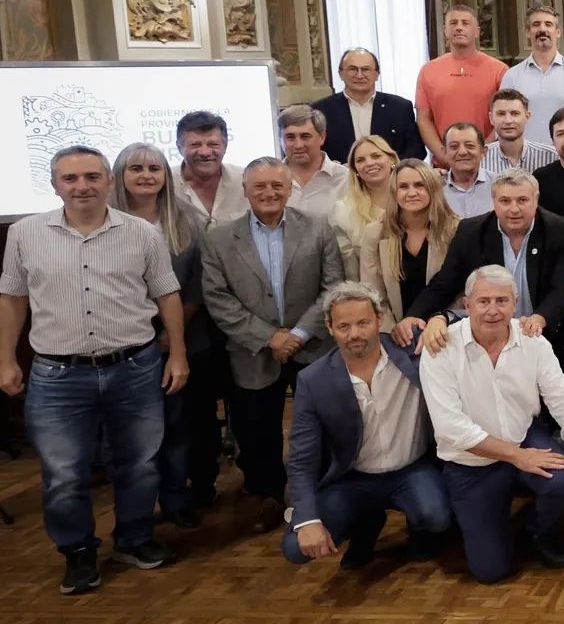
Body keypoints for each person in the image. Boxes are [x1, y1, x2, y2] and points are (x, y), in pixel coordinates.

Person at [1, 147, 184, 595]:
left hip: (135, 366)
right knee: (64, 473)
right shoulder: (25, 233)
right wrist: (6, 359)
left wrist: (177, 353)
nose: (81, 186)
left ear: (108, 181)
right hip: (58, 375)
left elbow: (167, 295)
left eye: (90, 177)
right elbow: (12, 298)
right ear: (55, 184)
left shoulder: (141, 233)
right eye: (70, 178)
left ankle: (134, 539)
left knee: (139, 464)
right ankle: (78, 552)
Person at [420, 266, 564, 580]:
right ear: (466, 306)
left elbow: (563, 398)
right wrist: (518, 457)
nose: (493, 310)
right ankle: (492, 525)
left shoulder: (532, 342)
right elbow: (450, 427)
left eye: (502, 301)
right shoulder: (440, 348)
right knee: (490, 571)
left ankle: (537, 530)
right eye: (483, 302)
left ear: (515, 303)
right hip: (471, 461)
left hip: (522, 437)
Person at [201, 157, 345, 531]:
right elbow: (218, 299)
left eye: (277, 186)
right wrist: (269, 337)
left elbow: (333, 287)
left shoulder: (317, 229)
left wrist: (298, 334)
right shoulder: (219, 238)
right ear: (245, 190)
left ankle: (324, 492)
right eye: (259, 186)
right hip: (252, 352)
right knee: (256, 428)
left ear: (288, 189)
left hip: (311, 346)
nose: (269, 193)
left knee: (323, 423)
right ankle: (267, 494)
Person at [282, 282, 450, 568]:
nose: (355, 334)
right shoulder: (313, 379)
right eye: (344, 326)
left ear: (379, 319)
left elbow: (475, 316)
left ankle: (420, 532)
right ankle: (366, 523)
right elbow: (301, 458)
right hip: (353, 477)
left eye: (363, 323)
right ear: (329, 327)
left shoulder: (410, 350)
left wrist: (441, 318)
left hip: (412, 469)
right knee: (294, 548)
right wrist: (307, 519)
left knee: (438, 516)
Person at [111, 142, 217, 528]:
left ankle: (177, 498)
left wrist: (174, 336)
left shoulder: (186, 219)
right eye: (135, 168)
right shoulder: (104, 221)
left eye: (154, 168)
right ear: (119, 176)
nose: (146, 175)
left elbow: (198, 285)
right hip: (123, 340)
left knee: (179, 425)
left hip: (182, 336)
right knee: (134, 433)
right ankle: (136, 510)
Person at [406, 170, 564, 362]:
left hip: (543, 337)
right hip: (488, 339)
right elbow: (445, 283)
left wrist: (540, 318)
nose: (514, 209)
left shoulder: (559, 229)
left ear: (536, 199)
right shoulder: (471, 231)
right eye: (505, 201)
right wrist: (414, 315)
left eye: (522, 200)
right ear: (493, 201)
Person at [361, 160, 458, 347]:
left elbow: (460, 289)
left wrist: (440, 322)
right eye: (403, 187)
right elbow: (372, 293)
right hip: (394, 337)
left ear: (432, 188)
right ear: (394, 192)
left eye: (419, 185)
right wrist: (394, 330)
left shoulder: (456, 230)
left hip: (446, 333)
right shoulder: (374, 233)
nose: (411, 193)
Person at [415, 4, 509, 161]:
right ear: (445, 31)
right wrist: (443, 155)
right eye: (453, 23)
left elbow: (505, 118)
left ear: (477, 32)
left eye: (465, 23)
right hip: (443, 165)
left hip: (490, 160)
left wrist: (483, 151)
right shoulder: (428, 71)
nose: (459, 28)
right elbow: (423, 119)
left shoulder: (500, 70)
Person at [501, 6, 564, 146]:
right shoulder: (512, 76)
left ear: (558, 32)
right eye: (536, 24)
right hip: (525, 158)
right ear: (527, 32)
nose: (542, 29)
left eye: (548, 24)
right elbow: (503, 121)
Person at [315, 47, 422, 163]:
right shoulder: (321, 110)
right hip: (340, 178)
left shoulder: (400, 108)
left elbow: (416, 150)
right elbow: (316, 151)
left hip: (391, 178)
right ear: (340, 74)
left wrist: (392, 170)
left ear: (377, 74)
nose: (359, 75)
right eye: (352, 69)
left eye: (366, 69)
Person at [328, 135, 397, 279]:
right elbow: (350, 271)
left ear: (391, 159)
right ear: (355, 169)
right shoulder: (343, 211)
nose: (369, 163)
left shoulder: (412, 200)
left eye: (376, 156)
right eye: (360, 160)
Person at [173, 110, 247, 231]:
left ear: (225, 146)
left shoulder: (247, 181)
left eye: (213, 144)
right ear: (179, 147)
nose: (205, 152)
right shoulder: (164, 185)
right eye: (195, 145)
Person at [278, 105, 348, 218]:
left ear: (322, 137)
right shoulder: (269, 180)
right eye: (290, 137)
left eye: (305, 136)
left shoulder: (346, 179)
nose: (298, 145)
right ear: (280, 140)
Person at [483, 88, 558, 175]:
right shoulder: (479, 158)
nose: (508, 120)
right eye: (501, 114)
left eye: (515, 114)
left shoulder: (551, 156)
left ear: (527, 117)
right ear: (491, 118)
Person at [439, 121, 493, 218]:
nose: (462, 152)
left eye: (470, 146)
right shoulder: (435, 189)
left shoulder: (499, 185)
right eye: (454, 147)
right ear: (444, 153)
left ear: (483, 152)